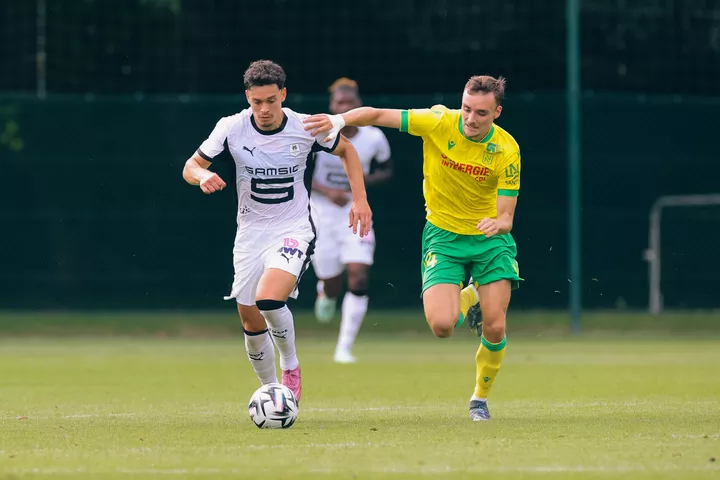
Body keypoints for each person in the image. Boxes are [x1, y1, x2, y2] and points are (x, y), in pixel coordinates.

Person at [304, 75, 521, 420]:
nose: (470, 118)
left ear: (497, 113)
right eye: (466, 108)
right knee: (442, 326)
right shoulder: (438, 121)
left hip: (489, 240)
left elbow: (506, 216)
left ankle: (479, 399)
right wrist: (339, 120)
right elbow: (377, 114)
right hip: (443, 238)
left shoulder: (507, 149)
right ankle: (471, 296)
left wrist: (499, 224)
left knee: (494, 326)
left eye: (481, 113)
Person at [182, 60, 372, 403]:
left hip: (293, 228)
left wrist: (360, 200)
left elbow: (347, 150)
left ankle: (291, 367)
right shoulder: (231, 127)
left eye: (271, 100)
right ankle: (271, 390)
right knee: (250, 319)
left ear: (283, 94)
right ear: (248, 98)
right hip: (250, 233)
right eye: (257, 102)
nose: (265, 109)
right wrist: (202, 176)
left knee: (269, 299)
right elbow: (191, 166)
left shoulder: (306, 126)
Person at [310, 78, 393, 364]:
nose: (344, 107)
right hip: (321, 212)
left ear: (358, 104)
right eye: (339, 103)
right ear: (331, 105)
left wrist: (361, 180)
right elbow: (299, 173)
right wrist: (326, 191)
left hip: (356, 209)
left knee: (358, 274)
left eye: (349, 103)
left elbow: (386, 170)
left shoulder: (374, 138)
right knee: (332, 282)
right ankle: (325, 292)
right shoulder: (317, 134)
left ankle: (343, 348)